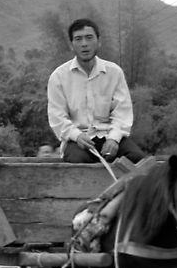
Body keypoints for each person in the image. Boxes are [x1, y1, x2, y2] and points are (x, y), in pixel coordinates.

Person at [47, 18, 145, 164]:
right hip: (79, 140)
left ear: (99, 41)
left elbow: (122, 112)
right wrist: (76, 135)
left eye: (89, 38)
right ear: (71, 45)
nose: (84, 44)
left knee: (136, 158)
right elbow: (57, 117)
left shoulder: (114, 72)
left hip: (109, 135)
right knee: (78, 161)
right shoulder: (59, 76)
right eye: (78, 39)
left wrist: (114, 138)